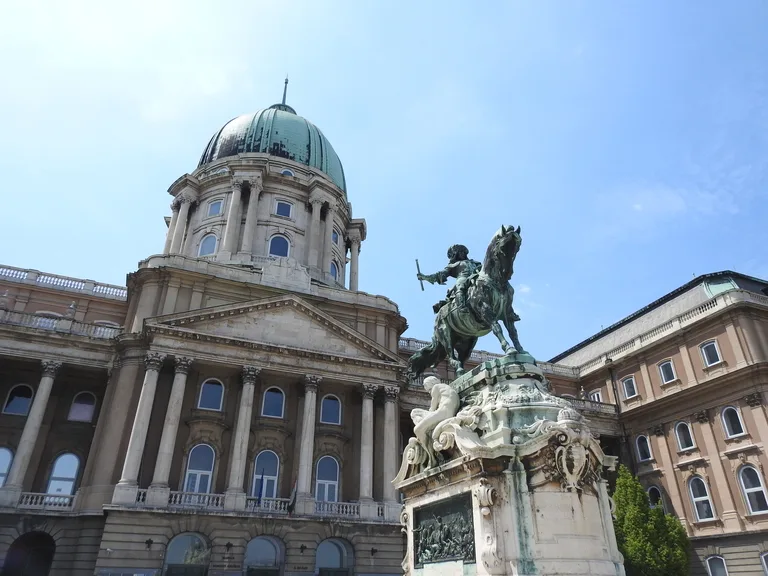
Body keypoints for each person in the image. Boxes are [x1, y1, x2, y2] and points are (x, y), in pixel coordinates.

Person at [417, 244, 481, 313]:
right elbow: (440, 274)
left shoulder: (475, 263)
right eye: (460, 252)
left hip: (477, 276)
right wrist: (425, 277)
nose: (462, 253)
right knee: (460, 285)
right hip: (463, 277)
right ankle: (461, 306)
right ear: (455, 255)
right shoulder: (453, 265)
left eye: (463, 252)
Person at [411, 376, 460, 454]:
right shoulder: (447, 389)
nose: (430, 392)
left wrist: (423, 421)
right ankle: (426, 433)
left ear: (430, 384)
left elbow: (432, 408)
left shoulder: (436, 387)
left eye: (429, 390)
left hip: (442, 413)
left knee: (415, 420)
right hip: (448, 412)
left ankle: (430, 455)